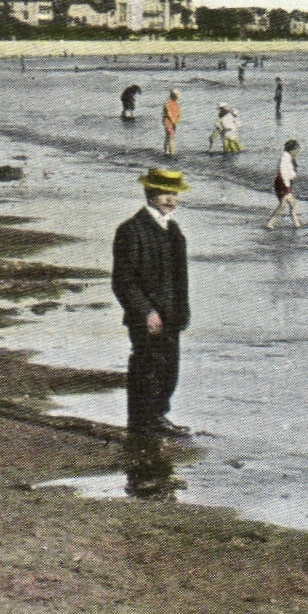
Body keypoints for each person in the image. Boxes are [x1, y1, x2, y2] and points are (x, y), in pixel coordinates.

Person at [113, 168, 192, 437]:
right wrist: (145, 311)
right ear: (149, 193)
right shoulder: (131, 230)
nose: (170, 199)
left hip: (171, 313)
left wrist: (182, 312)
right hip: (145, 314)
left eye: (174, 193)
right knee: (146, 367)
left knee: (168, 368)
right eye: (163, 193)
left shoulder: (174, 230)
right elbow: (123, 281)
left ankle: (158, 416)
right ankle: (141, 423)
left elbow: (181, 278)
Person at [266, 139, 303, 230]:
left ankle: (296, 224)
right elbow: (283, 172)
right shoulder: (285, 158)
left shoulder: (288, 156)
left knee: (291, 204)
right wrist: (287, 188)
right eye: (297, 150)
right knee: (283, 205)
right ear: (292, 149)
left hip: (285, 182)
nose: (298, 152)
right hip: (282, 183)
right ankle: (270, 223)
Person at [161, 89, 180, 156]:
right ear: (173, 96)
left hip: (173, 122)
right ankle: (169, 152)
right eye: (177, 96)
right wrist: (174, 122)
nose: (178, 97)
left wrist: (177, 121)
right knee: (169, 137)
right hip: (168, 122)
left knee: (170, 137)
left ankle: (168, 151)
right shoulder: (167, 103)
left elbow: (178, 113)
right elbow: (168, 114)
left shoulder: (175, 103)